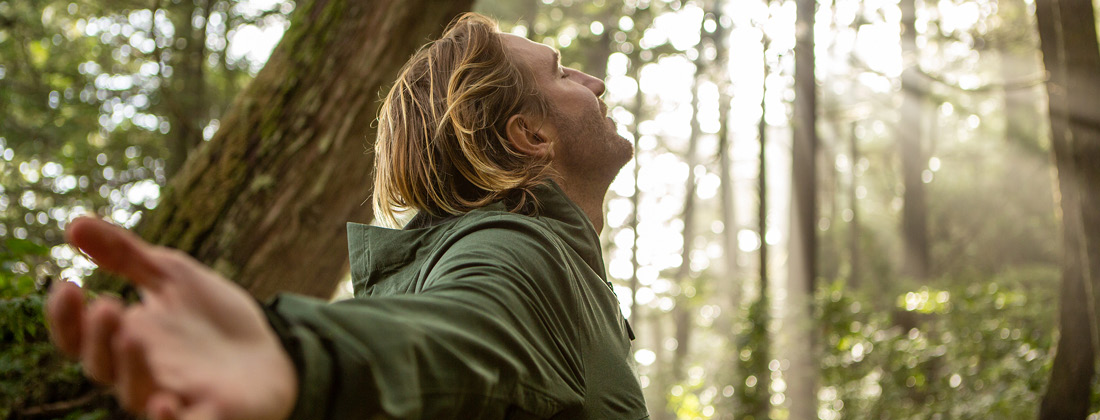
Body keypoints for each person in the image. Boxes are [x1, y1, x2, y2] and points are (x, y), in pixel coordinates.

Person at [46, 12, 648, 420]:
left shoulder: (534, 256)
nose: (594, 83)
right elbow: (457, 330)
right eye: (562, 72)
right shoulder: (518, 250)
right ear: (530, 135)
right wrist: (296, 353)